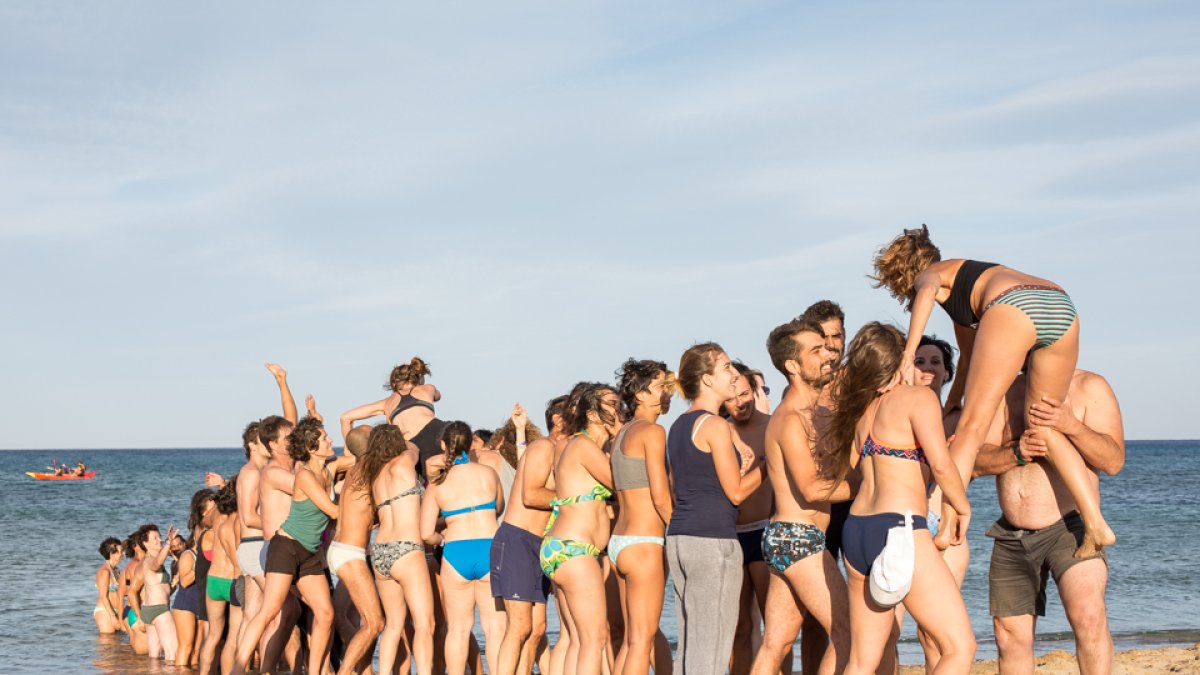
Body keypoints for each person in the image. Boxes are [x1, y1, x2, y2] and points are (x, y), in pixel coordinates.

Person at [871, 225, 1114, 558]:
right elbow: (969, 358)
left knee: (971, 429)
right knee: (1044, 424)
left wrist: (907, 355)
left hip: (1014, 304)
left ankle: (945, 526)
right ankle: (1096, 524)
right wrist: (952, 401)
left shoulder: (930, 274)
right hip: (1059, 304)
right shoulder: (966, 288)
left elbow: (925, 292)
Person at [821, 322, 974, 674]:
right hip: (900, 527)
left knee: (861, 661)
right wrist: (962, 507)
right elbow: (942, 465)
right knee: (959, 647)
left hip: (858, 530)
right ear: (901, 357)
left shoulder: (862, 412)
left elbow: (857, 470)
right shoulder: (918, 398)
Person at [981, 369, 1124, 675]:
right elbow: (977, 460)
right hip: (1011, 534)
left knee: (1089, 617)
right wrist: (1016, 453)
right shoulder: (1005, 388)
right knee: (1009, 637)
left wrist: (1072, 426)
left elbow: (1113, 461)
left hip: (1070, 528)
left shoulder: (1089, 386)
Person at [749, 318, 849, 675]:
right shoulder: (791, 418)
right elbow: (810, 488)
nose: (828, 355)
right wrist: (873, 486)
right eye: (816, 351)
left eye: (827, 348)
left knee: (776, 643)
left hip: (787, 537)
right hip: (799, 538)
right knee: (848, 633)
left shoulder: (813, 413)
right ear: (792, 365)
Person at [667, 343, 765, 675]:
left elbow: (687, 485)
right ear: (707, 380)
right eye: (725, 367)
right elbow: (735, 494)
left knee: (689, 645)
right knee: (711, 650)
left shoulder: (679, 425)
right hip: (712, 541)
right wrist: (768, 465)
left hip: (680, 538)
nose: (733, 374)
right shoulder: (715, 425)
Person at [232, 416, 340, 675]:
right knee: (270, 612)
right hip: (280, 547)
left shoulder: (297, 467)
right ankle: (238, 670)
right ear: (273, 444)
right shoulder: (274, 473)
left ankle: (300, 670)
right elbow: (315, 491)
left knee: (311, 613)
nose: (293, 440)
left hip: (306, 550)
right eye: (288, 438)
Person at [540, 384, 621, 675]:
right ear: (592, 414)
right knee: (594, 640)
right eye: (611, 404)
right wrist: (622, 434)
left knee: (577, 640)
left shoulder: (579, 446)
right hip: (575, 550)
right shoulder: (584, 446)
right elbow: (620, 483)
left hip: (562, 548)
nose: (618, 409)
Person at [423, 421, 507, 675]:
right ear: (471, 444)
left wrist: (442, 540)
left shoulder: (438, 484)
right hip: (489, 548)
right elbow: (499, 508)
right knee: (495, 628)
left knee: (458, 629)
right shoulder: (488, 473)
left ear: (443, 445)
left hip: (456, 551)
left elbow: (425, 533)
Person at [491, 396, 567, 675]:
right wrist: (573, 498)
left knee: (537, 628)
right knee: (520, 626)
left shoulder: (562, 452)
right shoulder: (545, 447)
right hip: (518, 541)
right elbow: (531, 495)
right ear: (558, 420)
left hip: (539, 545)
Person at [609, 359, 675, 675]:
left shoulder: (621, 434)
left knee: (632, 641)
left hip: (620, 542)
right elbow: (660, 497)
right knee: (641, 642)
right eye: (661, 387)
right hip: (645, 542)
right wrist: (681, 533)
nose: (667, 393)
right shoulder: (652, 431)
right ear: (640, 394)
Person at [798, 299, 850, 675]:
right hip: (817, 506)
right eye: (824, 338)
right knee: (815, 616)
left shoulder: (856, 382)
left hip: (855, 500)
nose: (832, 345)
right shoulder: (804, 388)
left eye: (838, 336)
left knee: (875, 599)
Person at [366, 423, 436, 675]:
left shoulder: (376, 477)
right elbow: (414, 448)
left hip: (380, 550)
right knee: (425, 624)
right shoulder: (404, 462)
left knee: (393, 625)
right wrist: (405, 437)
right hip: (407, 549)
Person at [723, 362, 776, 675]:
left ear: (755, 391)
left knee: (775, 628)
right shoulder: (721, 431)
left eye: (744, 394)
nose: (739, 402)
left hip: (764, 532)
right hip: (731, 536)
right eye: (731, 398)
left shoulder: (772, 426)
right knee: (740, 628)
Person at [328, 424, 385, 675]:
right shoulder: (370, 471)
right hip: (351, 554)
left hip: (341, 550)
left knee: (346, 617)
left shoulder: (353, 470)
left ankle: (363, 671)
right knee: (375, 623)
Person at [341, 356, 445, 479]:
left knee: (434, 481)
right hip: (441, 430)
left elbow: (345, 417)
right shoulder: (428, 388)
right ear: (418, 378)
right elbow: (438, 396)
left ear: (394, 384)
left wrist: (349, 453)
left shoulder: (386, 403)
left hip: (416, 444)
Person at [200, 480, 241, 675]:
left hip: (214, 579)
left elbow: (205, 522)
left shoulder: (216, 514)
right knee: (233, 638)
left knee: (213, 636)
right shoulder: (238, 518)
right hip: (232, 578)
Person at [171, 490, 213, 668]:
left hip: (201, 603)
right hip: (185, 605)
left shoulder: (209, 555)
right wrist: (201, 564)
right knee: (186, 647)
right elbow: (185, 582)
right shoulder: (189, 555)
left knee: (197, 650)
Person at [140, 523, 182, 663]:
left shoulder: (153, 560)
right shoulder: (149, 561)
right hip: (159, 611)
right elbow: (156, 563)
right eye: (155, 538)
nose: (160, 540)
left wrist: (174, 583)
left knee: (154, 657)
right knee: (173, 654)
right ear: (145, 543)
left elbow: (162, 589)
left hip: (149, 610)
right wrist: (168, 543)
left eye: (159, 537)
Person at [94, 538, 124, 634]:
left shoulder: (118, 571)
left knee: (118, 642)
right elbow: (103, 597)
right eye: (120, 551)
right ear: (111, 554)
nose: (122, 554)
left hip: (116, 611)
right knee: (108, 641)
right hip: (105, 611)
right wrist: (113, 617)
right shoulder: (104, 572)